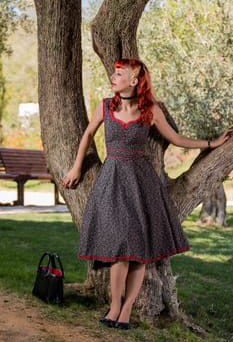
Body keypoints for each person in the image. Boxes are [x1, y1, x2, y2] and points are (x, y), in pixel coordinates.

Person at [62, 58, 232, 329]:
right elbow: (87, 135)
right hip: (112, 180)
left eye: (119, 74)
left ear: (134, 81)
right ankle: (114, 305)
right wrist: (75, 167)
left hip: (141, 183)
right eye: (113, 73)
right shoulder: (105, 106)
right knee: (119, 248)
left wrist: (213, 143)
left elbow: (177, 140)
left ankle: (127, 309)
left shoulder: (150, 110)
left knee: (138, 250)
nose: (113, 77)